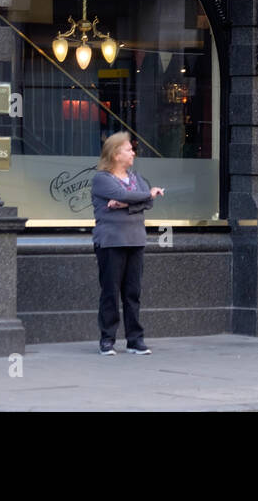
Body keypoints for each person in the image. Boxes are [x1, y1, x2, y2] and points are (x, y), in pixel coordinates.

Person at [91, 132, 164, 355]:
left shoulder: (136, 177)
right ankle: (107, 340)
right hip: (111, 242)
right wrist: (144, 196)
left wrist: (123, 205)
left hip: (135, 240)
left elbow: (145, 202)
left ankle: (135, 340)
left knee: (133, 292)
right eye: (128, 149)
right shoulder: (101, 178)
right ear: (115, 154)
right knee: (111, 292)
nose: (133, 152)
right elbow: (135, 195)